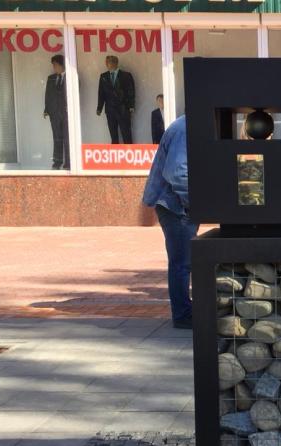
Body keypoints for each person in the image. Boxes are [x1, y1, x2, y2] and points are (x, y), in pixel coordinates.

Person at [142, 115, 198, 330]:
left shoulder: (186, 125)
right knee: (181, 262)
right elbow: (178, 172)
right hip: (175, 205)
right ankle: (182, 315)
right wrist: (194, 203)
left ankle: (184, 311)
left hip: (177, 203)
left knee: (184, 261)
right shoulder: (185, 129)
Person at [97, 55, 135, 144]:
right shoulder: (103, 76)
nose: (107, 64)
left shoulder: (126, 75)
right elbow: (101, 93)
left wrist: (131, 106)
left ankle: (129, 154)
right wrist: (99, 107)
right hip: (110, 109)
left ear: (115, 63)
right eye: (106, 62)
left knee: (126, 134)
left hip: (123, 109)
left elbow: (131, 91)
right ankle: (115, 155)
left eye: (108, 62)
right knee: (113, 135)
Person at [44, 54, 70, 170]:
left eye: (55, 65)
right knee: (57, 138)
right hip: (54, 113)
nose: (54, 67)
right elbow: (48, 95)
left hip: (67, 114)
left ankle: (69, 162)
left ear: (61, 65)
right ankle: (57, 162)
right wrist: (46, 109)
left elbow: (76, 93)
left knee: (68, 138)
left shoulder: (71, 77)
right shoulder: (51, 78)